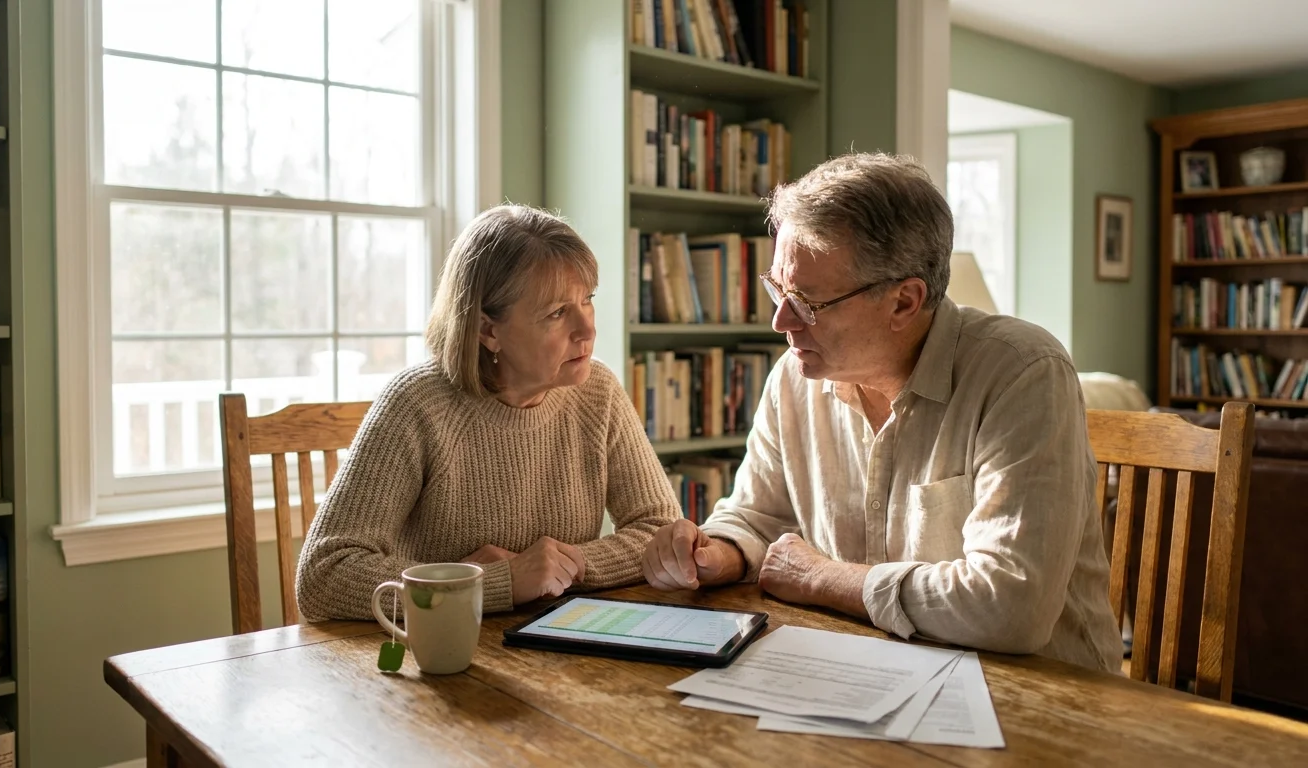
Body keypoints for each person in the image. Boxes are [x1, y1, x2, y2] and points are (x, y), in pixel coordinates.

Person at [640, 152, 1123, 673]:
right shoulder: (794, 378)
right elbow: (758, 516)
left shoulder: (1022, 372)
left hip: (1043, 693)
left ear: (904, 302)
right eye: (777, 288)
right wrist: (718, 554)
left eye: (806, 301)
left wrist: (822, 578)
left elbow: (1009, 607)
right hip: (865, 671)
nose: (781, 321)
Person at [298, 204, 680, 621]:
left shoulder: (598, 391)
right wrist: (490, 582)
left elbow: (660, 531)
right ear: (487, 331)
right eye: (556, 312)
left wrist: (568, 566)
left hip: (559, 647)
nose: (587, 329)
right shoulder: (417, 404)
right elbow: (323, 575)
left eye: (586, 300)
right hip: (437, 655)